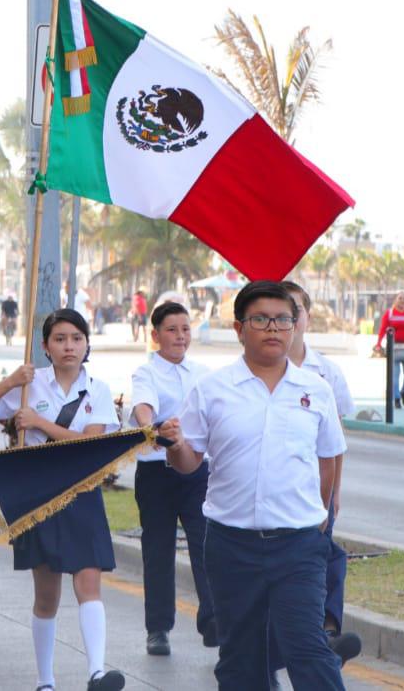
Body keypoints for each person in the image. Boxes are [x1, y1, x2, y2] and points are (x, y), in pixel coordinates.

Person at [160, 280, 347, 690]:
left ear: (296, 326)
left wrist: (317, 519)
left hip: (298, 546)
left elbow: (329, 457)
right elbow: (189, 462)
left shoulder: (316, 391)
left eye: (283, 319)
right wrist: (174, 447)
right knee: (241, 658)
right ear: (240, 328)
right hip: (232, 545)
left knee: (307, 648)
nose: (274, 329)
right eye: (261, 319)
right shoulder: (212, 390)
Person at [0, 309, 125, 691]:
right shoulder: (29, 384)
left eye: (76, 338)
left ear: (87, 344)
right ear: (45, 346)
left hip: (81, 492)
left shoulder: (98, 389)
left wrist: (39, 424)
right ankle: (45, 680)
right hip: (39, 495)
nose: (69, 346)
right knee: (47, 593)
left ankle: (97, 673)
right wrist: (10, 382)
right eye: (59, 339)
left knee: (89, 580)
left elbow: (90, 442)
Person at [277, 280, 360, 677]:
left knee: (324, 558)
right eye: (280, 310)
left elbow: (335, 440)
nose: (289, 318)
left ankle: (325, 632)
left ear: (306, 317)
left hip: (318, 490)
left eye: (297, 309)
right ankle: (284, 648)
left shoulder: (325, 371)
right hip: (278, 491)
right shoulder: (258, 367)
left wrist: (334, 494)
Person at [128, 301, 215, 657]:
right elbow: (142, 408)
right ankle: (158, 629)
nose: (180, 336)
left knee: (207, 548)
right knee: (158, 550)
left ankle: (215, 624)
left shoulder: (205, 373)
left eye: (185, 329)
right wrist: (154, 427)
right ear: (155, 335)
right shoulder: (146, 373)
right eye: (171, 330)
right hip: (156, 473)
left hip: (197, 472)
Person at [374, 291, 404, 408]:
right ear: (396, 299)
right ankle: (396, 398)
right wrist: (378, 343)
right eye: (400, 298)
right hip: (393, 349)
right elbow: (382, 329)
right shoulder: (389, 313)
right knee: (394, 376)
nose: (402, 301)